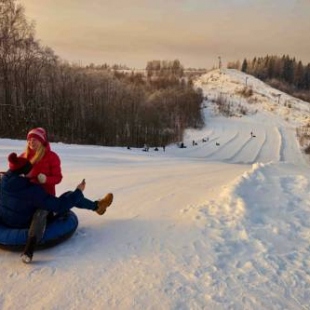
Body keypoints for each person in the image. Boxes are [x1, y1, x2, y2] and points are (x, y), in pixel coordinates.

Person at [0, 153, 114, 263]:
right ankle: (97, 206)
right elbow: (59, 206)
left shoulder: (3, 182)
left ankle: (98, 206)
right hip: (25, 223)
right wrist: (79, 191)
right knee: (66, 197)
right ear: (23, 174)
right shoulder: (32, 190)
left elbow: (56, 177)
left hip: (7, 219)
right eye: (30, 169)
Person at [21, 127, 62, 196]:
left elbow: (58, 178)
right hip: (26, 195)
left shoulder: (52, 156)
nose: (31, 142)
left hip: (45, 197)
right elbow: (14, 170)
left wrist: (46, 179)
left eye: (34, 139)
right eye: (29, 139)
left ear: (41, 141)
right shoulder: (23, 156)